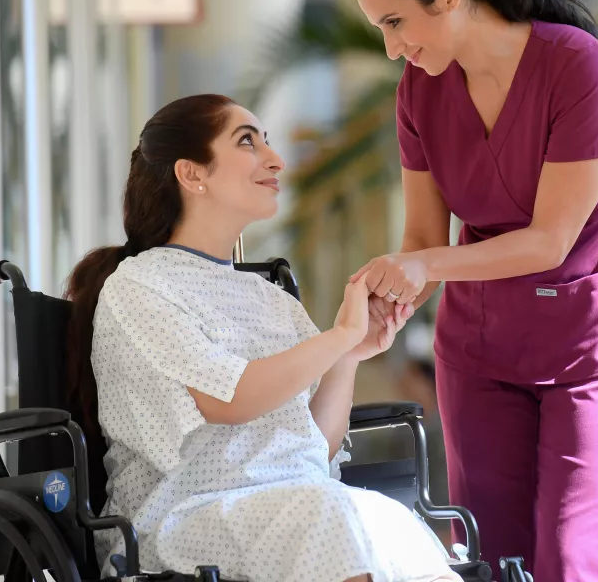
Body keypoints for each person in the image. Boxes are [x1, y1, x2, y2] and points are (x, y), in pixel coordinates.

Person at [347, 0, 598, 582]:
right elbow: (424, 240)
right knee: (492, 560)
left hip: (595, 351)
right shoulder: (420, 92)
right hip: (482, 351)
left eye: (395, 23)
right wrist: (385, 307)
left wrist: (424, 265)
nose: (392, 49)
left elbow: (550, 241)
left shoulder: (579, 68)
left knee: (573, 560)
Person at [63, 94, 461, 582]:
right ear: (192, 174)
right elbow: (231, 399)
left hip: (295, 502)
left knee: (387, 522)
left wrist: (350, 355)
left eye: (267, 141)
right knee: (332, 522)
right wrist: (338, 336)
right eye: (247, 141)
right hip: (188, 515)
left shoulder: (272, 298)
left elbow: (315, 444)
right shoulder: (140, 286)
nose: (275, 159)